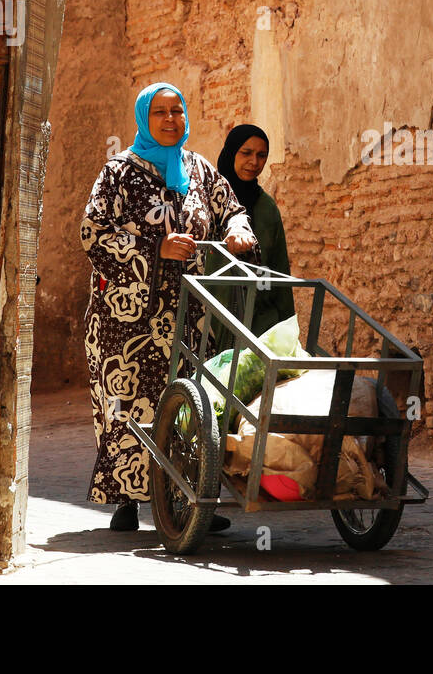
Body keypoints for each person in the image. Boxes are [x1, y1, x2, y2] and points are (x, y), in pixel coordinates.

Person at [80, 83, 256, 532]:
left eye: (177, 111)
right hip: (127, 318)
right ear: (144, 118)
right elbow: (92, 234)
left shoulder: (198, 168)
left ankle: (190, 499)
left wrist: (238, 229)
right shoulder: (118, 172)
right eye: (160, 113)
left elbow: (230, 208)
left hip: (189, 314)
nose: (170, 120)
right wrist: (156, 246)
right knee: (128, 403)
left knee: (189, 404)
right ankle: (127, 501)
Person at [208, 124, 296, 341]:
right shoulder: (208, 201)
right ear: (231, 153)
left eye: (261, 155)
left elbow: (278, 268)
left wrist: (288, 329)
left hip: (260, 322)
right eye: (246, 153)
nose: (254, 162)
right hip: (212, 319)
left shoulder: (266, 207)